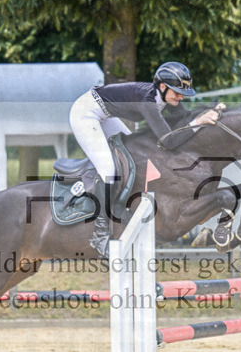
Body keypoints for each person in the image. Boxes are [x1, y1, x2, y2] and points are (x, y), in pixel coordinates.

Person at [69, 61, 220, 256]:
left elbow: (187, 118)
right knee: (108, 169)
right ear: (163, 87)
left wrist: (214, 111)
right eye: (177, 92)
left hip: (107, 115)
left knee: (132, 153)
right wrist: (198, 122)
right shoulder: (147, 101)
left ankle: (123, 208)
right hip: (86, 112)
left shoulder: (166, 97)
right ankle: (100, 234)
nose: (181, 97)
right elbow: (170, 141)